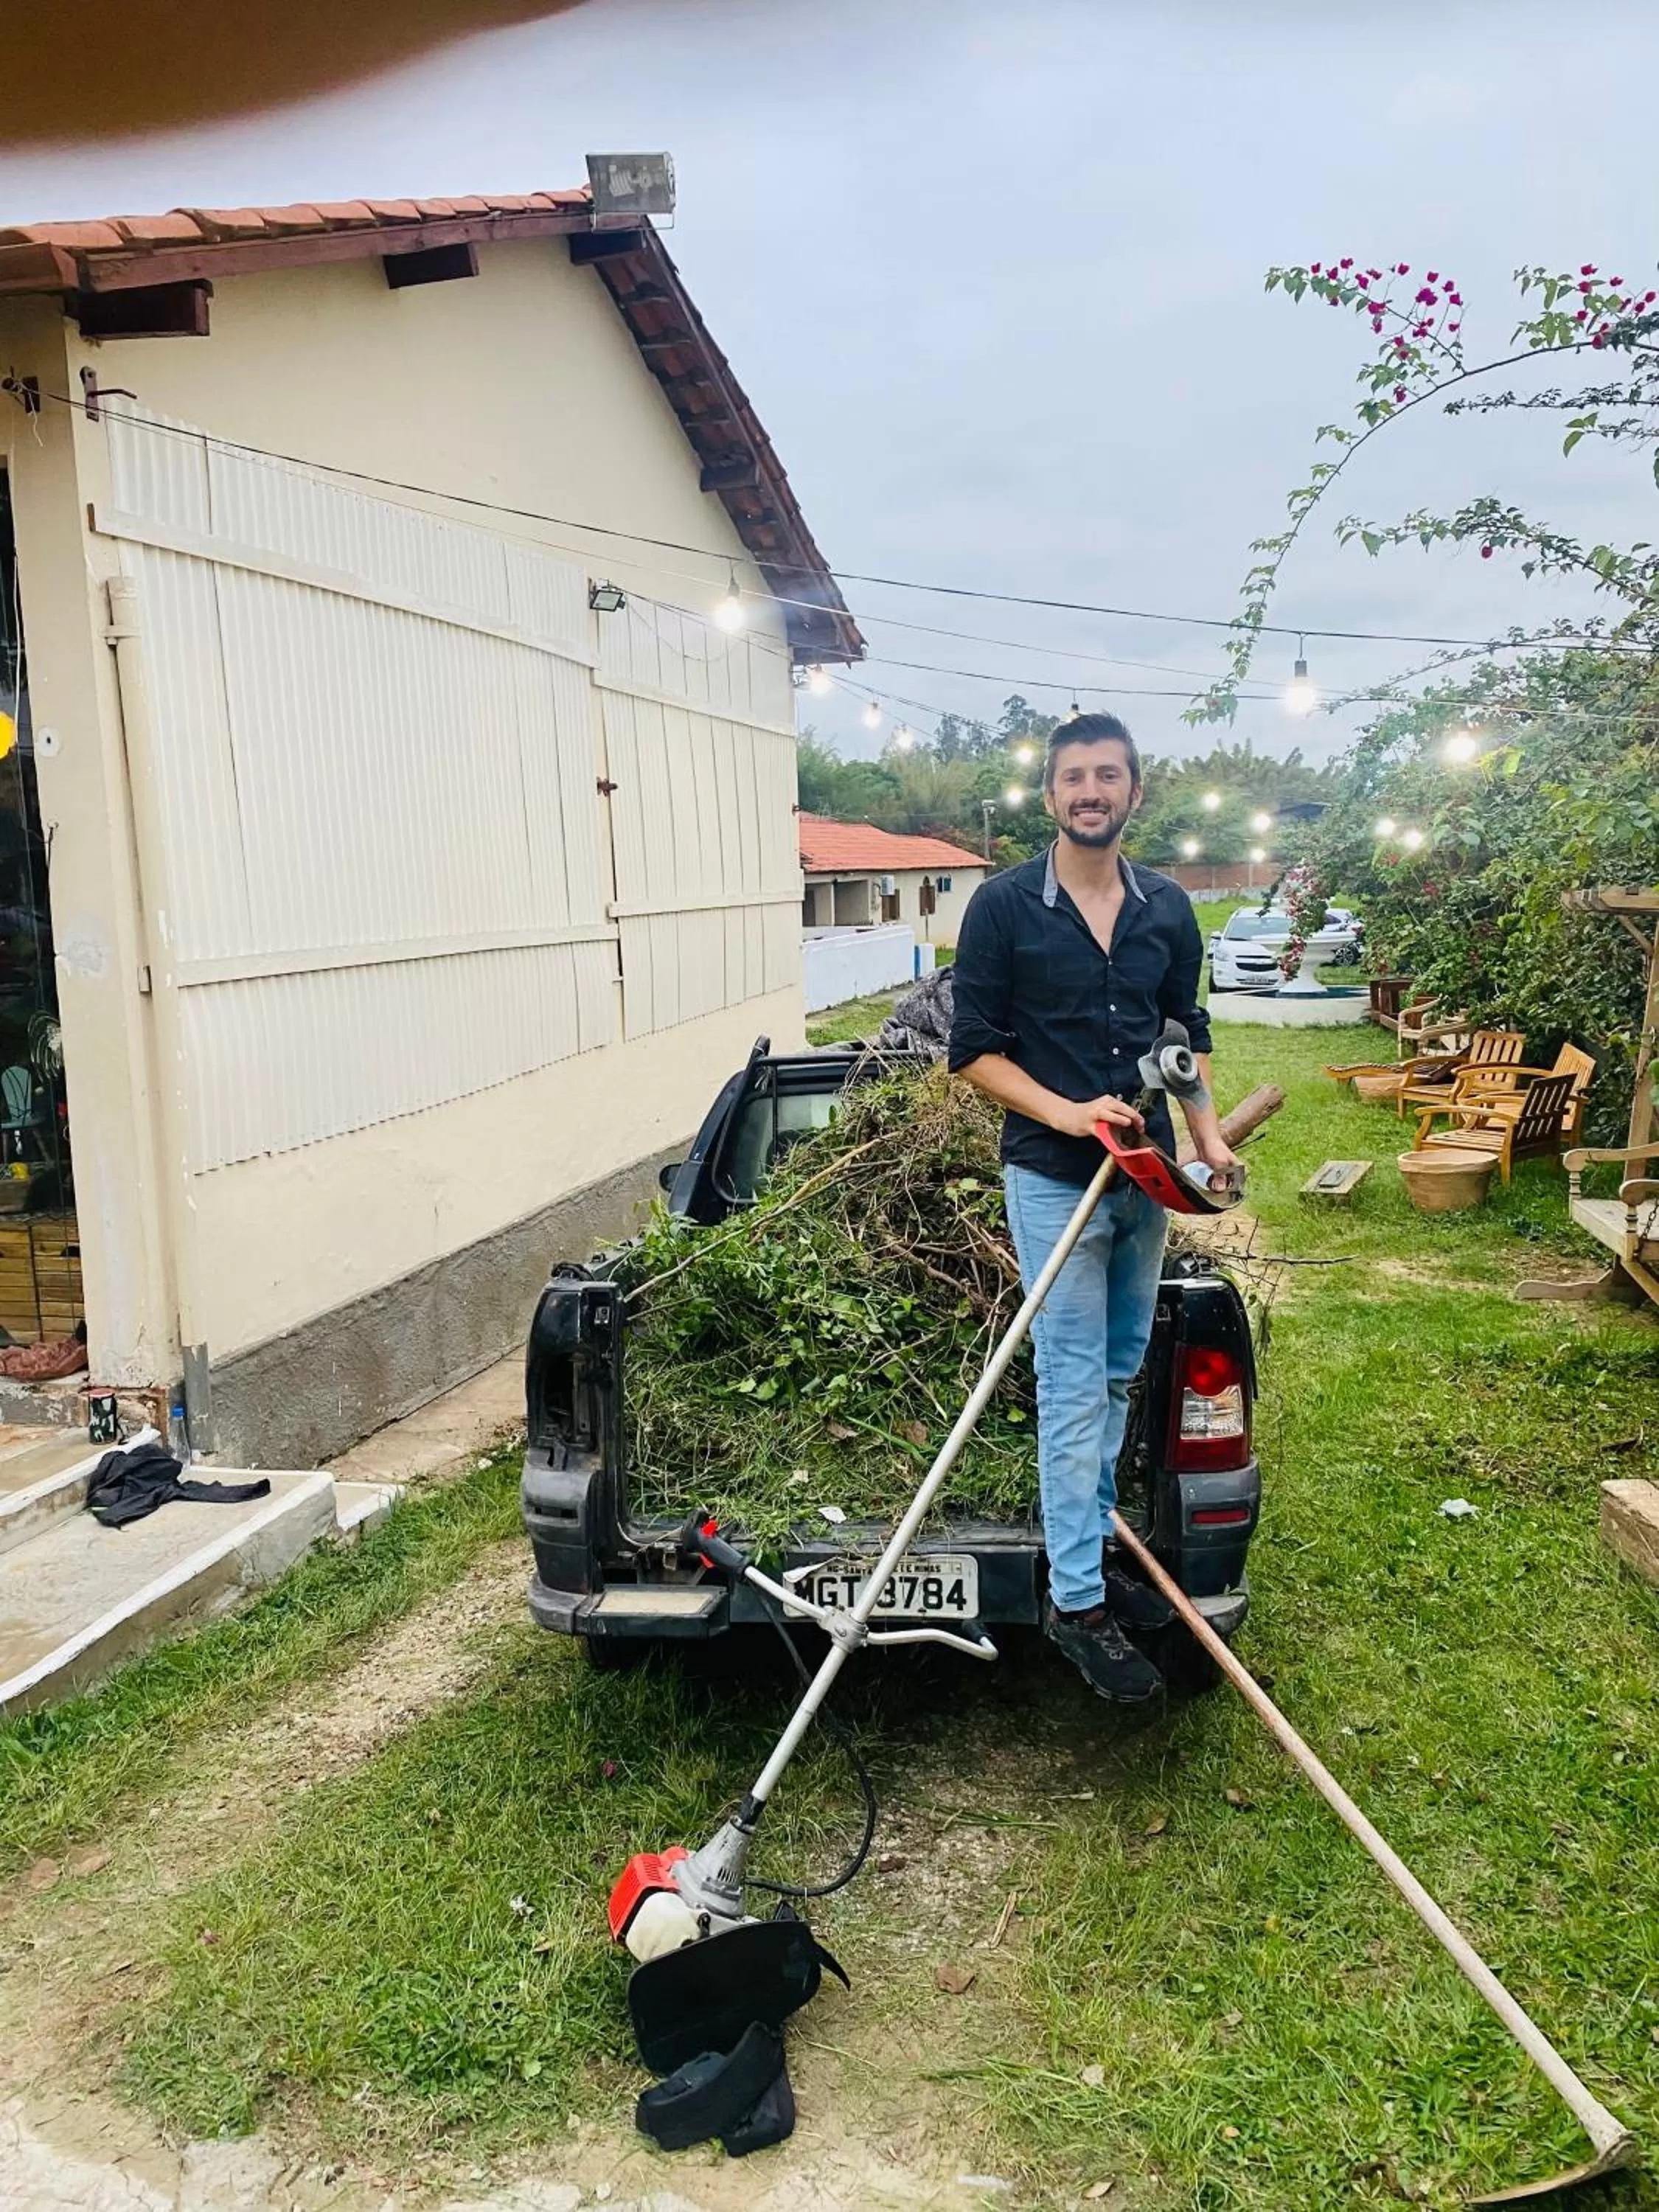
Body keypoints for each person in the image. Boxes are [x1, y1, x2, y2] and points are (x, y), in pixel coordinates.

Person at [947, 712, 1238, 1702]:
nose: (1090, 791)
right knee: (1072, 1383)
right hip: (1050, 1175)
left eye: (1107, 775)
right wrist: (1068, 1113)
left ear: (1133, 793)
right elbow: (974, 1051)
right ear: (1048, 797)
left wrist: (1205, 1140)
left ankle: (1094, 1548)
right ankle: (1075, 1604)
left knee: (1116, 1373)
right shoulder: (1000, 908)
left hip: (1145, 1178)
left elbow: (1179, 1038)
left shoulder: (1165, 908)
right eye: (1073, 777)